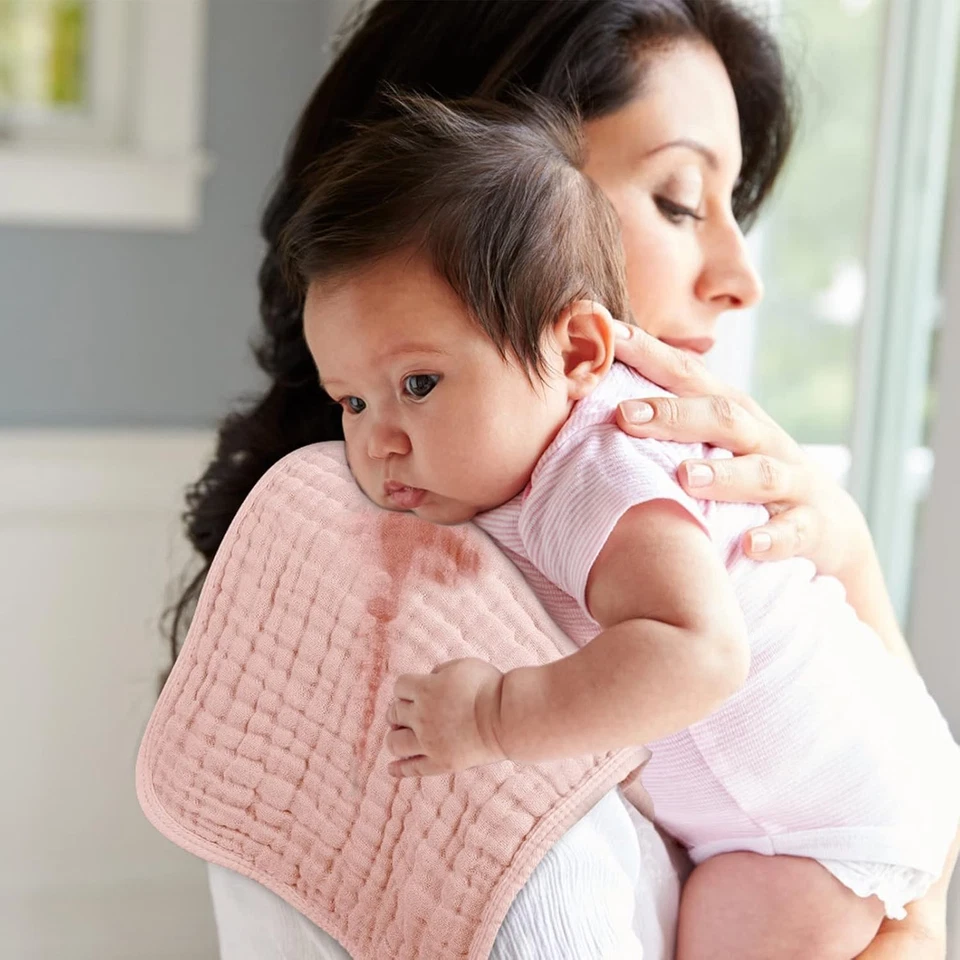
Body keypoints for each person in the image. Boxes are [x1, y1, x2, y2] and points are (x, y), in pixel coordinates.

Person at [174, 1, 959, 956]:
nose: (741, 276)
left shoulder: (591, 473)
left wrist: (845, 554)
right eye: (678, 199)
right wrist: (917, 916)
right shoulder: (389, 579)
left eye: (732, 205)